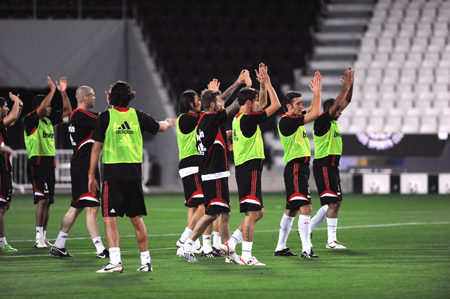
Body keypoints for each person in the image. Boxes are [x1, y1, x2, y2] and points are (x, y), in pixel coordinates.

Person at [89, 81, 175, 273]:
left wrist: (90, 174)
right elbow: (159, 127)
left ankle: (115, 261)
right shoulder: (138, 115)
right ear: (129, 97)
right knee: (136, 218)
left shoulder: (105, 118)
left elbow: (96, 148)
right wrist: (168, 123)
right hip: (134, 174)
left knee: (109, 218)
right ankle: (146, 262)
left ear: (111, 98)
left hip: (112, 173)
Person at [177, 70, 249, 263]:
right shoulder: (207, 118)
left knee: (222, 213)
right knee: (211, 213)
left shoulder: (204, 119)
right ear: (212, 105)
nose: (220, 104)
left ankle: (227, 252)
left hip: (212, 172)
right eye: (217, 102)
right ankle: (188, 243)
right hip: (213, 173)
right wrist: (246, 89)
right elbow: (233, 106)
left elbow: (221, 106)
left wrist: (235, 85)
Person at [224, 63, 281, 266]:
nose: (258, 102)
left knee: (258, 212)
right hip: (249, 168)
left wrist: (262, 86)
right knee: (251, 213)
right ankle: (247, 256)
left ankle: (231, 244)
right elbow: (275, 106)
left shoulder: (238, 119)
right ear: (249, 102)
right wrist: (268, 83)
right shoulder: (248, 120)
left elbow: (263, 103)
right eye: (255, 100)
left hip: (245, 168)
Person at [50, 86, 108, 258]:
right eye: (93, 95)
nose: (95, 98)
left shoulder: (78, 115)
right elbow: (105, 120)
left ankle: (59, 244)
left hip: (80, 164)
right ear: (85, 98)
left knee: (77, 207)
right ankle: (100, 249)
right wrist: (112, 104)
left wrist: (110, 105)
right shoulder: (81, 115)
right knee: (92, 207)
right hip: (85, 166)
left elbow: (102, 119)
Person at [273, 72, 322, 259]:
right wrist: (318, 93)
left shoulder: (293, 118)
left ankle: (280, 247)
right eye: (298, 104)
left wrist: (315, 98)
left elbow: (311, 111)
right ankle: (306, 249)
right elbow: (316, 113)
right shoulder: (287, 121)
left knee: (291, 209)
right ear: (288, 107)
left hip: (298, 168)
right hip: (295, 167)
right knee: (306, 207)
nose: (302, 107)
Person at [24, 76, 72, 248]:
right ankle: (38, 237)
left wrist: (63, 93)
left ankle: (43, 237)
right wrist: (52, 90)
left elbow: (67, 110)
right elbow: (44, 106)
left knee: (49, 201)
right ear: (39, 107)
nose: (51, 109)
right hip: (36, 164)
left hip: (49, 164)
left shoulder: (49, 121)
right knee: (42, 199)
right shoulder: (31, 120)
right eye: (49, 106)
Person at [310, 67, 354, 249]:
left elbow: (347, 101)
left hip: (332, 166)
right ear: (329, 111)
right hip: (324, 165)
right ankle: (330, 241)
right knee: (333, 201)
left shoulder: (333, 121)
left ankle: (310, 226)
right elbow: (337, 105)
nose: (340, 112)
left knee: (336, 201)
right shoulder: (321, 122)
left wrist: (351, 86)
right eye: (336, 110)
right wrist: (345, 88)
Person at [175, 89, 217, 257]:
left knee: (193, 206)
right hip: (192, 164)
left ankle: (197, 245)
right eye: (198, 101)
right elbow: (213, 112)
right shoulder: (188, 118)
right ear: (190, 104)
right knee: (205, 204)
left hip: (189, 165)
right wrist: (214, 97)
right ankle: (185, 238)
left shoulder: (186, 120)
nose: (200, 103)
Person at [0, 93, 23, 252]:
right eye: (5, 106)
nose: (7, 109)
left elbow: (14, 117)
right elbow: (13, 115)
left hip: (5, 169)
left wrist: (18, 104)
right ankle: (2, 243)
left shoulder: (2, 125)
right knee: (0, 207)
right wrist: (16, 102)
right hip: (0, 171)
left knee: (5, 206)